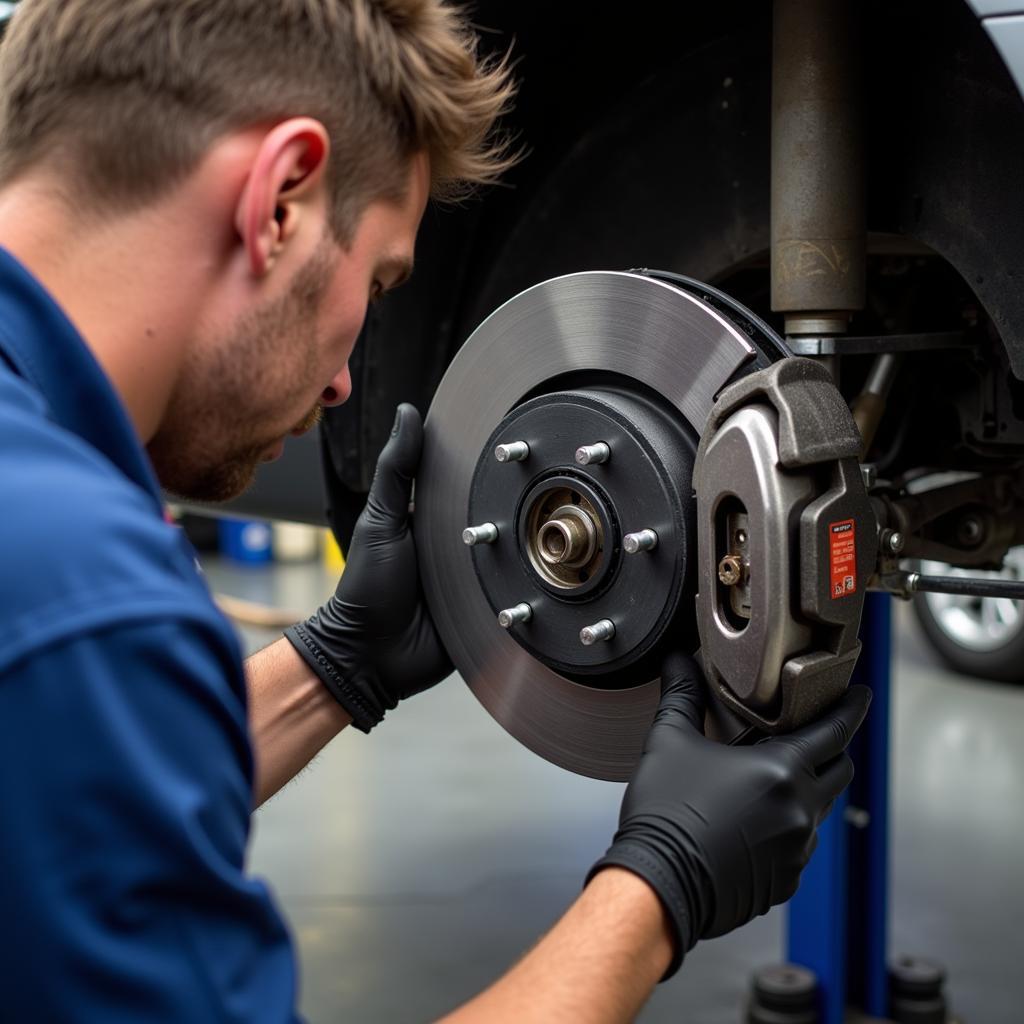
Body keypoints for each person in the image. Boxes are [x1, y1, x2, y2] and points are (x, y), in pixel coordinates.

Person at [0, 1, 871, 1020]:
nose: (341, 389)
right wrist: (659, 889)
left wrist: (335, 665)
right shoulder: (78, 592)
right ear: (279, 198)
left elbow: (66, 810)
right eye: (378, 278)